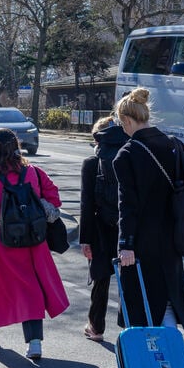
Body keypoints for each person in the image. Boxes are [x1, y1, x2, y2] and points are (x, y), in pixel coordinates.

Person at [0, 128, 70, 360]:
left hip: (0, 240)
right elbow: (54, 198)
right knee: (31, 289)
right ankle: (34, 342)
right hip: (32, 240)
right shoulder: (34, 173)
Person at [112, 87, 184, 333]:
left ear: (127, 120)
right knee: (167, 300)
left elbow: (127, 205)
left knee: (142, 306)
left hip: (142, 242)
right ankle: (173, 357)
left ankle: (157, 361)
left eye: (121, 123)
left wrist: (126, 244)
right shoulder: (176, 146)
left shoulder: (126, 155)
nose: (122, 129)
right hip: (174, 236)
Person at [78, 114, 128, 342]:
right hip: (127, 227)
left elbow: (86, 205)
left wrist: (85, 239)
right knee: (129, 278)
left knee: (101, 279)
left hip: (100, 228)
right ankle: (130, 329)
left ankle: (96, 327)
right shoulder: (129, 158)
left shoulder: (90, 164)